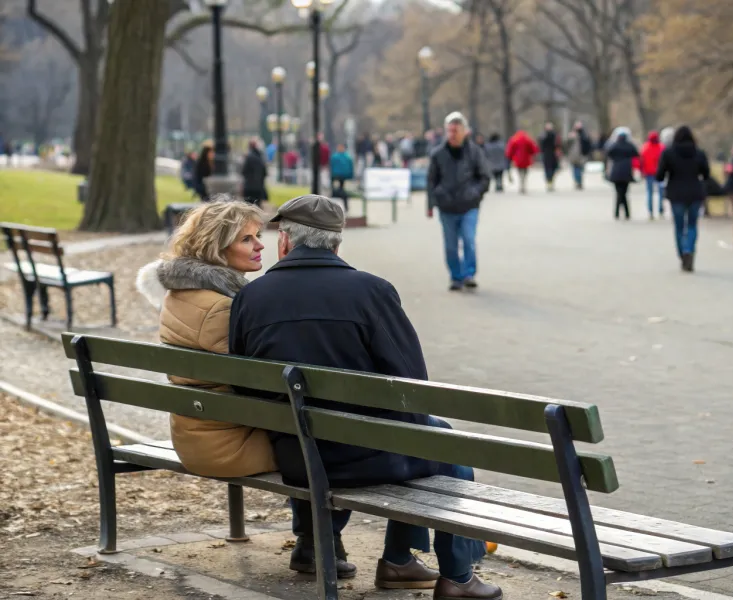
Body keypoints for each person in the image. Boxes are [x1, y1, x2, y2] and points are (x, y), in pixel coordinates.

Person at [229, 195, 500, 600]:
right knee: (446, 442)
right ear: (337, 245)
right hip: (363, 457)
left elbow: (244, 386)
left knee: (315, 426)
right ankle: (454, 576)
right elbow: (413, 388)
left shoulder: (251, 298)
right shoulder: (372, 291)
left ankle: (314, 545)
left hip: (293, 457)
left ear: (285, 243)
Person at [135, 200, 276, 479]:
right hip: (228, 446)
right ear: (216, 247)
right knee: (330, 444)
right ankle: (312, 524)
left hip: (197, 437)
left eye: (258, 237)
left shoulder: (178, 292)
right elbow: (261, 383)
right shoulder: (221, 307)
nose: (260, 246)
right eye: (247, 239)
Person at [427, 112, 492, 291]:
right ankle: (456, 277)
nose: (452, 134)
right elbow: (432, 180)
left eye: (456, 130)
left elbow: (485, 177)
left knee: (469, 240)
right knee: (450, 245)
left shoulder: (475, 152)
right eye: (449, 131)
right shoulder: (438, 154)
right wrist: (432, 203)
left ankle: (469, 274)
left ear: (465, 132)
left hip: (469, 205)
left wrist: (476, 192)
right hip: (446, 206)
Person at [656, 125, 710, 272]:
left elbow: (660, 175)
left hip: (676, 193)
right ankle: (689, 248)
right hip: (694, 192)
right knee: (692, 225)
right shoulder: (699, 153)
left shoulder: (668, 153)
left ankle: (682, 253)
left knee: (679, 227)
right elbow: (706, 174)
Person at [606, 129, 639, 220]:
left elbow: (608, 153)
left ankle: (617, 212)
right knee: (624, 193)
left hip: (616, 172)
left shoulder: (615, 145)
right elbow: (636, 154)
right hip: (627, 171)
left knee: (619, 193)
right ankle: (626, 213)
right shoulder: (629, 146)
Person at [640, 131, 665, 219]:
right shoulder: (661, 147)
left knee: (650, 192)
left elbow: (641, 161)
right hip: (659, 173)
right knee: (661, 192)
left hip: (649, 173)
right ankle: (660, 209)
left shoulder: (645, 148)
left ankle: (650, 211)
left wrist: (642, 172)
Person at [505, 129, 539, 194]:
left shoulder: (514, 139)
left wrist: (509, 156)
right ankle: (523, 184)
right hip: (526, 159)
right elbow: (533, 148)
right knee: (525, 172)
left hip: (518, 159)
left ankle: (521, 183)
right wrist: (533, 154)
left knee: (520, 172)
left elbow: (510, 149)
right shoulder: (527, 139)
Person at [241, 138, 268, 206]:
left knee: (248, 208)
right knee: (257, 208)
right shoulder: (260, 157)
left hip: (249, 187)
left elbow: (244, 171)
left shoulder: (248, 157)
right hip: (258, 187)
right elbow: (264, 173)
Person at [566, 121, 592, 190]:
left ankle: (579, 181)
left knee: (580, 169)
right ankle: (578, 181)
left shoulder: (584, 135)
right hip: (573, 155)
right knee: (576, 169)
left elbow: (588, 144)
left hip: (581, 155)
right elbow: (567, 145)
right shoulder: (572, 135)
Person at [329, 143, 354, 212]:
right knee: (339, 193)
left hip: (341, 177)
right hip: (338, 177)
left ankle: (336, 208)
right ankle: (338, 208)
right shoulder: (346, 157)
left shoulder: (337, 157)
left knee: (339, 193)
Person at [539, 122, 561, 191]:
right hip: (546, 154)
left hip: (553, 155)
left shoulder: (555, 135)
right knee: (547, 169)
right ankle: (549, 182)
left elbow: (558, 144)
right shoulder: (543, 135)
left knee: (553, 169)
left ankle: (550, 181)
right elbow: (541, 145)